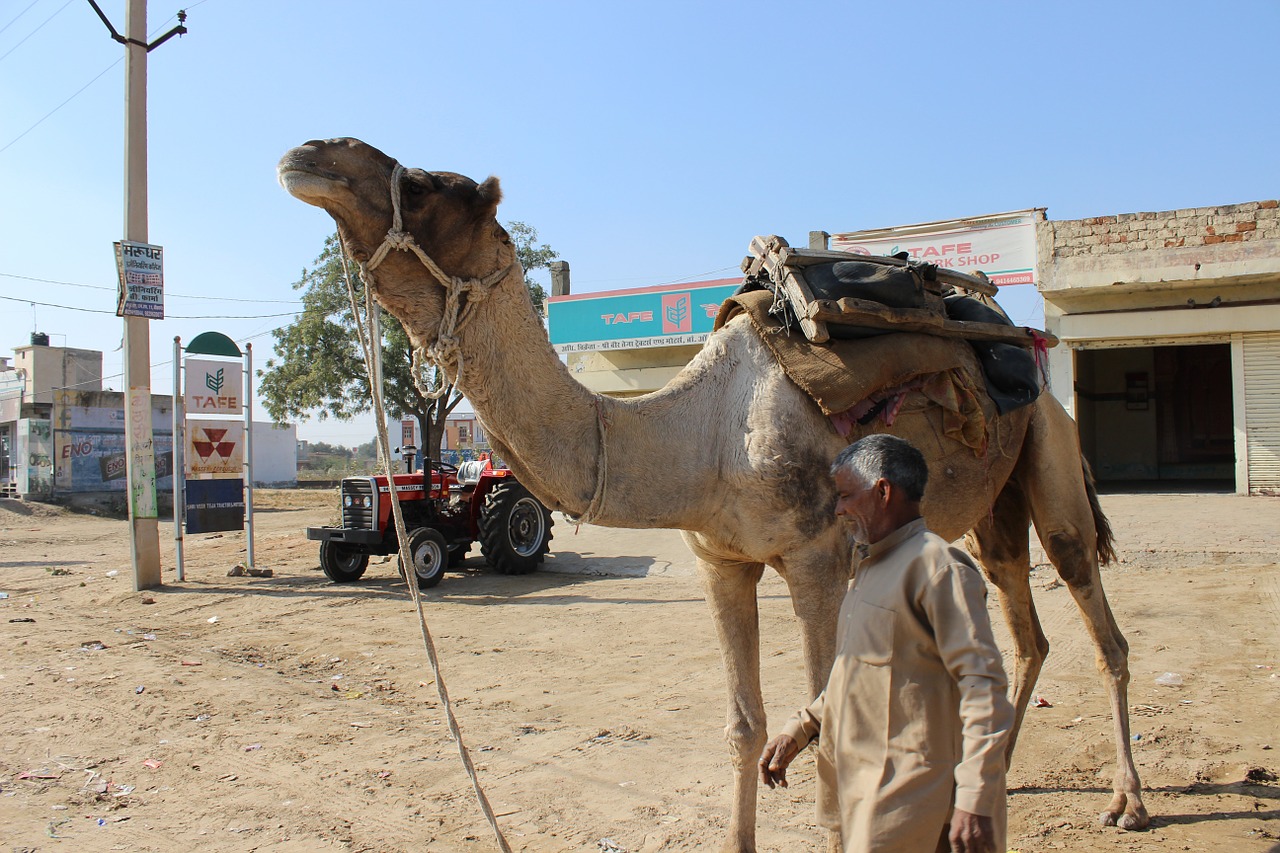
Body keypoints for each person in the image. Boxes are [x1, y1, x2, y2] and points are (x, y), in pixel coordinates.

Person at [758, 434, 1014, 853]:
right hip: (865, 788)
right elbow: (856, 670)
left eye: (845, 496)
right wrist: (800, 729)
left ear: (882, 491)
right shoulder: (871, 566)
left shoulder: (939, 569)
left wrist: (975, 798)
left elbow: (984, 686)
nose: (838, 509)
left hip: (914, 800)